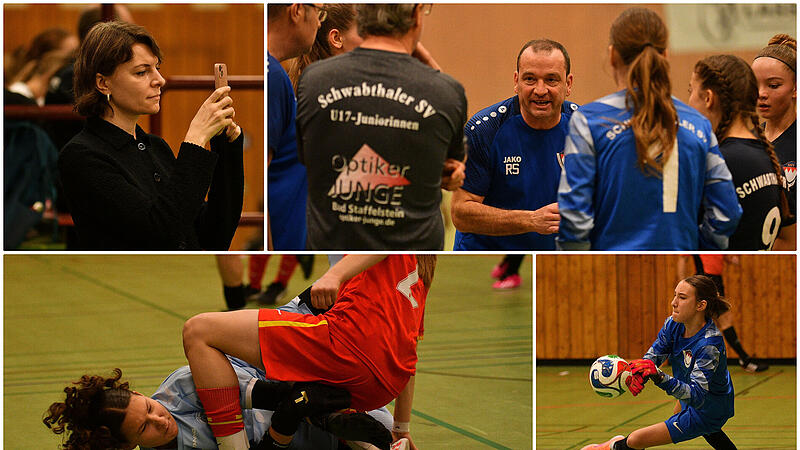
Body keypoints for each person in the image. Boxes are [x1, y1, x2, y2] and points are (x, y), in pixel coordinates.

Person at [43, 296, 396, 450]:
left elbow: (274, 393)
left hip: (310, 396)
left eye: (148, 406)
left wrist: (300, 408)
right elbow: (284, 410)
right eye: (144, 427)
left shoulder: (184, 384)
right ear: (126, 445)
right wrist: (287, 419)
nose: (159, 418)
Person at [181, 254, 434, 449]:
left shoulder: (383, 223)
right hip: (383, 385)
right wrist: (401, 428)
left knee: (198, 331)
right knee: (310, 397)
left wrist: (332, 275)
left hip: (346, 348)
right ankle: (334, 420)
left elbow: (384, 239)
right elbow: (411, 353)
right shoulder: (418, 274)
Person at [557, 7, 742, 250]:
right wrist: (698, 247)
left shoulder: (589, 121)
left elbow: (574, 218)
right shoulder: (699, 125)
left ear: (612, 55)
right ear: (665, 55)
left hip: (612, 266)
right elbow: (726, 212)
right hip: (678, 261)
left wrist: (579, 262)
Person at [57, 21, 243, 250]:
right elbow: (160, 235)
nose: (159, 80)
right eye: (142, 72)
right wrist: (195, 139)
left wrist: (226, 149)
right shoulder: (82, 156)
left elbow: (213, 237)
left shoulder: (155, 147)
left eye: (157, 68)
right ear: (103, 83)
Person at [295, 4, 467, 250]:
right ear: (416, 16)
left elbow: (309, 157)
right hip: (410, 248)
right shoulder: (446, 91)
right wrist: (432, 69)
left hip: (334, 241)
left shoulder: (313, 80)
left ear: (364, 21)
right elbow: (452, 166)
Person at [583, 275, 736, 450]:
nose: (674, 302)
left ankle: (611, 446)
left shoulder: (709, 345)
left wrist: (658, 376)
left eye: (682, 297)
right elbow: (655, 353)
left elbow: (697, 397)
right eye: (675, 295)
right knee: (689, 419)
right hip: (693, 395)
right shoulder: (674, 324)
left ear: (700, 305)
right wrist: (638, 373)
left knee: (636, 440)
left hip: (710, 406)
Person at [451, 39, 577, 250]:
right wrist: (532, 220)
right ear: (516, 81)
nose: (540, 90)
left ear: (568, 84)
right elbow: (461, 213)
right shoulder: (484, 131)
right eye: (530, 79)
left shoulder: (587, 129)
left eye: (551, 80)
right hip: (488, 256)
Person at [688, 54, 789, 250]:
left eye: (691, 90)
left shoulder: (717, 163)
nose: (688, 101)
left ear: (708, 98)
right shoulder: (771, 157)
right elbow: (789, 239)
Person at [267, 4, 323, 250]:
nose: (320, 23)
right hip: (280, 243)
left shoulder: (276, 74)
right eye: (319, 12)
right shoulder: (274, 77)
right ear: (297, 10)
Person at [677, 254, 768, 372]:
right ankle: (745, 360)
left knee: (712, 322)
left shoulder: (716, 240)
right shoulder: (700, 240)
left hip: (716, 281)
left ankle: (743, 359)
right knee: (723, 321)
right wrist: (683, 286)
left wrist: (730, 258)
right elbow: (683, 258)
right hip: (706, 280)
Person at [752, 34, 796, 250]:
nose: (761, 94)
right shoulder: (747, 142)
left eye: (773, 85)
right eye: (755, 85)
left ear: (795, 88)